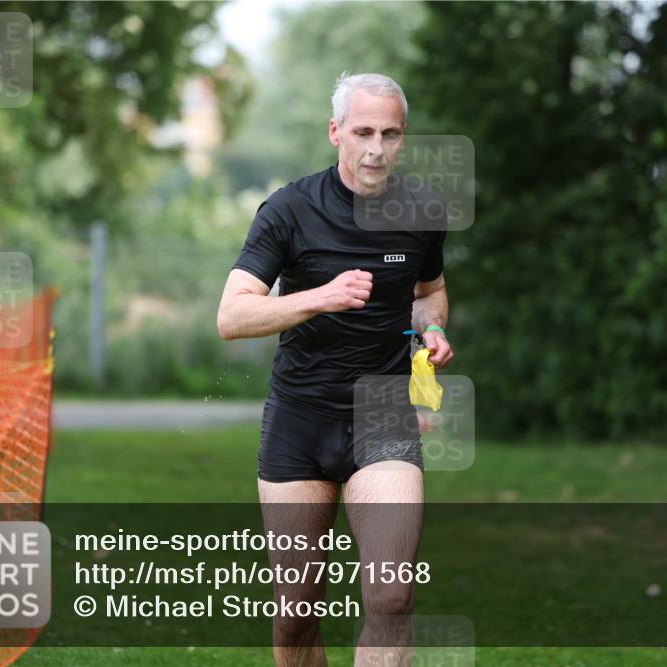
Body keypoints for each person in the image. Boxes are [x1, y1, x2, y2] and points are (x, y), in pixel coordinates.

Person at [217, 72, 452, 666]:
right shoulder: (290, 210)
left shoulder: (422, 211)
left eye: (390, 134)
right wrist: (319, 297)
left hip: (384, 415)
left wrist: (433, 329)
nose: (376, 148)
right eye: (363, 132)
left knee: (392, 596)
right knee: (296, 612)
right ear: (335, 132)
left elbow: (428, 292)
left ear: (403, 137)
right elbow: (232, 315)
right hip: (300, 418)